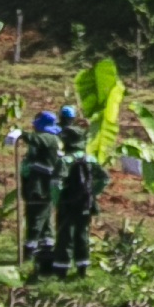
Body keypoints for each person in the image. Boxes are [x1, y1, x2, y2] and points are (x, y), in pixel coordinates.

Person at [56, 124, 108, 277]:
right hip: (85, 204)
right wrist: (93, 192)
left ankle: (61, 268)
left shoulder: (65, 160)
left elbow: (56, 184)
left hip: (67, 204)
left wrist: (57, 200)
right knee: (82, 234)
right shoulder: (90, 159)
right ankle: (82, 268)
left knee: (65, 235)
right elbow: (104, 178)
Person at [19, 111, 65, 273]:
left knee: (35, 219)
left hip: (41, 187)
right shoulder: (49, 140)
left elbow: (33, 138)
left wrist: (20, 133)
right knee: (45, 222)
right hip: (38, 186)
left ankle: (29, 252)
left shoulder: (48, 138)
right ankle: (46, 250)